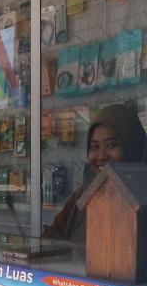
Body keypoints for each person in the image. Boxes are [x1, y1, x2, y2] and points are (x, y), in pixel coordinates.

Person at [43, 103, 147, 243]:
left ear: (133, 146)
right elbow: (49, 241)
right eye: (94, 146)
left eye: (111, 145)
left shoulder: (142, 198)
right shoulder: (84, 195)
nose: (101, 155)